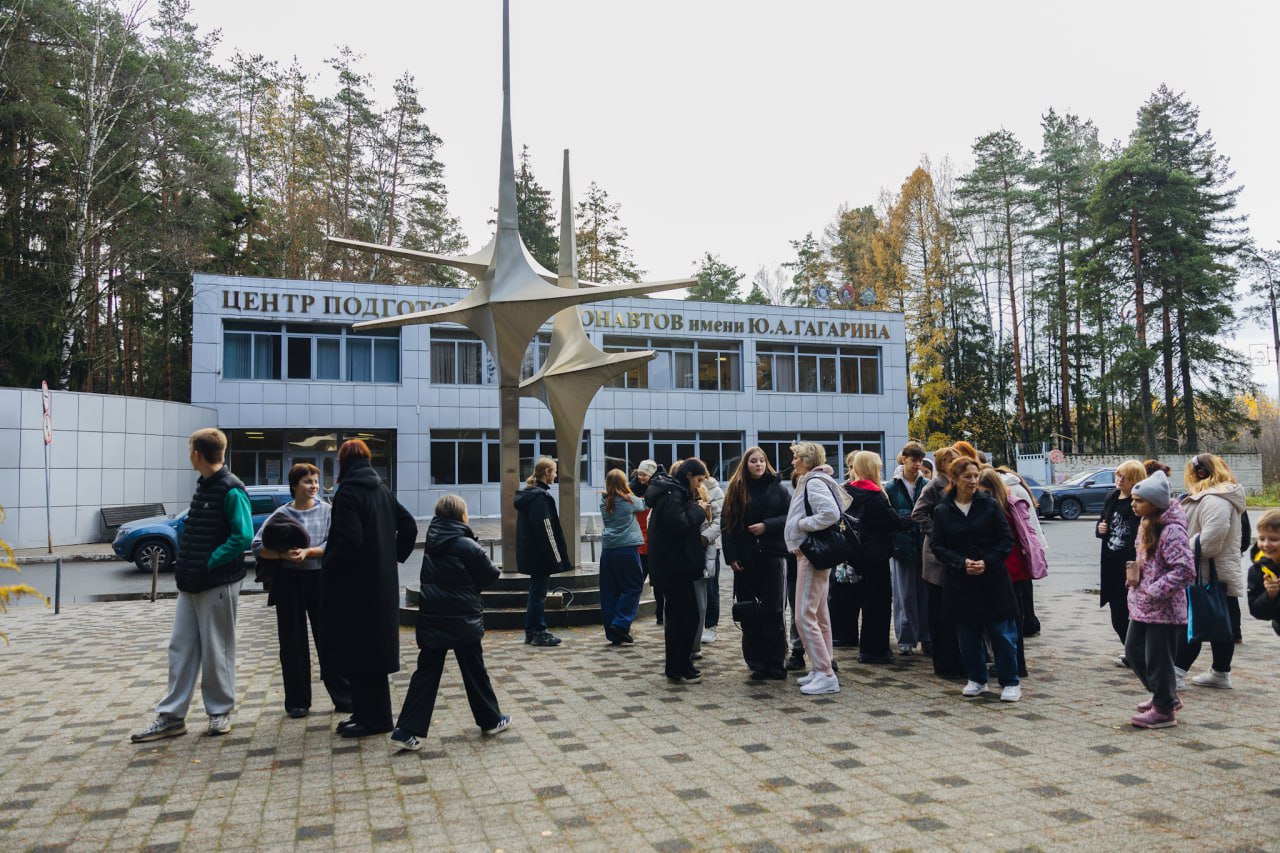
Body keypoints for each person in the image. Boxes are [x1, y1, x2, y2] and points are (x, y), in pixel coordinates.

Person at [132, 428, 253, 743]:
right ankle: (172, 717)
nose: (189, 455)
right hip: (193, 582)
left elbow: (243, 536)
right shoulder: (207, 487)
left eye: (189, 450)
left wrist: (210, 562)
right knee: (181, 648)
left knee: (218, 649)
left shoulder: (230, 489)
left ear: (197, 453)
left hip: (217, 582)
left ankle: (219, 713)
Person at [389, 495, 510, 752]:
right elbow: (491, 575)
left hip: (434, 618)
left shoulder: (433, 542)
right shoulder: (466, 544)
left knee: (426, 673)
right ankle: (490, 718)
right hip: (463, 618)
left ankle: (406, 729)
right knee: (475, 671)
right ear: (460, 515)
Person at [322, 439, 417, 739]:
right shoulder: (381, 489)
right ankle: (369, 715)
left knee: (358, 652)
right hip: (381, 583)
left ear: (343, 463)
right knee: (371, 652)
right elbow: (410, 526)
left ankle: (372, 719)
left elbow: (349, 539)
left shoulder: (348, 492)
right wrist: (393, 558)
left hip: (356, 587)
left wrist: (329, 568)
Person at [252, 463, 350, 719]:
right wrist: (283, 554)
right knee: (292, 643)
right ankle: (297, 702)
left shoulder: (328, 511)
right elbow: (257, 545)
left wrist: (310, 552)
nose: (313, 486)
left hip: (321, 579)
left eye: (316, 481)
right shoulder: (281, 513)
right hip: (288, 581)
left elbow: (337, 542)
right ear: (294, 485)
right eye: (307, 481)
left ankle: (343, 697)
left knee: (330, 639)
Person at [930, 457, 1019, 701]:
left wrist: (987, 561)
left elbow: (1005, 541)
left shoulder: (990, 505)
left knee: (1001, 633)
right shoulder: (942, 510)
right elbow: (937, 545)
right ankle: (977, 678)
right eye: (967, 476)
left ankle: (1010, 681)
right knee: (967, 636)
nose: (973, 481)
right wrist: (960, 562)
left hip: (992, 580)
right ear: (954, 479)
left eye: (975, 476)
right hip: (960, 581)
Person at [1124, 470, 1196, 728]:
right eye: (1133, 499)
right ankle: (1164, 695)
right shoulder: (1147, 525)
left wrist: (1154, 590)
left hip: (1162, 607)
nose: (1133, 504)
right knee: (1133, 650)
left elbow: (1185, 570)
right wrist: (1134, 580)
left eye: (1139, 500)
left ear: (1154, 503)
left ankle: (1164, 710)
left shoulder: (1171, 531)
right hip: (1142, 603)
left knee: (1157, 657)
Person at [1175, 453, 1246, 690]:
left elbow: (1210, 542)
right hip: (1212, 571)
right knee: (1218, 625)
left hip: (1207, 571)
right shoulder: (1214, 496)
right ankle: (1220, 672)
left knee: (1193, 624)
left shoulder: (1215, 499)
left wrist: (1180, 547)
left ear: (1202, 473)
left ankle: (1176, 673)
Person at [784, 441, 848, 696]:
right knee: (819, 614)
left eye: (796, 457)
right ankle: (821, 667)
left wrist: (802, 524)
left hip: (811, 555)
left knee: (804, 615)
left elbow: (830, 514)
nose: (793, 461)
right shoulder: (813, 480)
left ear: (807, 460)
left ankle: (824, 672)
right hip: (812, 555)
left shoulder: (813, 482)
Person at [722, 447, 790, 680]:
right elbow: (727, 523)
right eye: (753, 461)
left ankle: (776, 661)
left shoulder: (778, 488)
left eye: (762, 460)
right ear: (746, 464)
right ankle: (756, 663)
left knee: (774, 610)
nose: (759, 464)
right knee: (749, 610)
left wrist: (767, 526)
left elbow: (789, 517)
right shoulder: (736, 489)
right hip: (745, 558)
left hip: (772, 555)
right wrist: (731, 556)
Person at [645, 458, 712, 683]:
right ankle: (680, 665)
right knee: (685, 617)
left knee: (679, 617)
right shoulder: (674, 496)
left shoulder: (671, 493)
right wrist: (699, 510)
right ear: (689, 476)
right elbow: (680, 525)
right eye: (699, 480)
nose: (699, 485)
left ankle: (678, 665)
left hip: (673, 568)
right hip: (676, 568)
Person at [844, 450, 912, 664]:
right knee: (879, 604)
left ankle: (865, 647)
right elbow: (892, 523)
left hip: (856, 554)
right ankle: (875, 650)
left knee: (862, 602)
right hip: (877, 555)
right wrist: (914, 517)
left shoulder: (847, 492)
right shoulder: (874, 496)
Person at [977, 468, 1046, 678]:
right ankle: (1017, 664)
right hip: (1017, 567)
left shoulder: (997, 507)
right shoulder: (1010, 502)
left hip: (1006, 567)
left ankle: (1012, 664)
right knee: (1013, 618)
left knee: (1006, 619)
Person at [912, 446, 964, 678]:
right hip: (936, 555)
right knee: (938, 607)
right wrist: (937, 533)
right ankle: (942, 660)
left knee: (955, 609)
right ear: (941, 463)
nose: (954, 462)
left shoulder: (960, 483)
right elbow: (918, 513)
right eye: (950, 459)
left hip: (956, 553)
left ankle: (958, 657)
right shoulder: (934, 485)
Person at [515, 457, 572, 647]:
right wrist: (556, 558)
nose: (556, 475)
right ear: (547, 472)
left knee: (536, 591)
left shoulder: (530, 494)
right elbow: (546, 529)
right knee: (539, 593)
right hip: (540, 555)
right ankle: (539, 631)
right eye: (554, 471)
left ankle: (531, 632)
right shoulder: (539, 497)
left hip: (532, 553)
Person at [1096, 460, 1146, 666]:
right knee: (1117, 615)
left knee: (1133, 612)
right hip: (1111, 565)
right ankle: (1132, 652)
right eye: (1118, 476)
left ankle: (1137, 653)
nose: (1119, 480)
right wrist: (1100, 529)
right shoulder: (1112, 497)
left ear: (1135, 479)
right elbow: (1102, 522)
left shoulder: (1141, 501)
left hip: (1132, 565)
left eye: (1124, 477)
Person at [885, 442, 929, 655]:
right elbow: (888, 518)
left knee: (924, 594)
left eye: (920, 461)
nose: (917, 465)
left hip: (923, 547)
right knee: (904, 595)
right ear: (904, 459)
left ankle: (926, 636)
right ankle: (905, 639)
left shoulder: (926, 485)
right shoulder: (891, 488)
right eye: (914, 460)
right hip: (902, 547)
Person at [598, 469, 646, 644]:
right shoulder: (629, 501)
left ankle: (613, 632)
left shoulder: (604, 501)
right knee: (633, 587)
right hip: (626, 549)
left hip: (608, 549)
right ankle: (620, 623)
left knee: (609, 591)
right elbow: (644, 505)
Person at [690, 467, 724, 659]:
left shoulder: (713, 490)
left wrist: (706, 538)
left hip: (711, 546)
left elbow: (719, 518)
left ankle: (711, 624)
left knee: (711, 587)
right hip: (694, 548)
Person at [630, 460, 662, 625]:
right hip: (638, 540)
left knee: (658, 581)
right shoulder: (631, 489)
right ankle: (630, 612)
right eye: (640, 474)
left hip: (654, 541)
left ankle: (660, 614)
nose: (641, 477)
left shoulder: (658, 489)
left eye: (645, 475)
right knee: (637, 579)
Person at [1246, 509, 1280, 636]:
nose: (1266, 544)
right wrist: (1270, 594)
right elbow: (1258, 612)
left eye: (1273, 539)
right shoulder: (1258, 570)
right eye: (1261, 538)